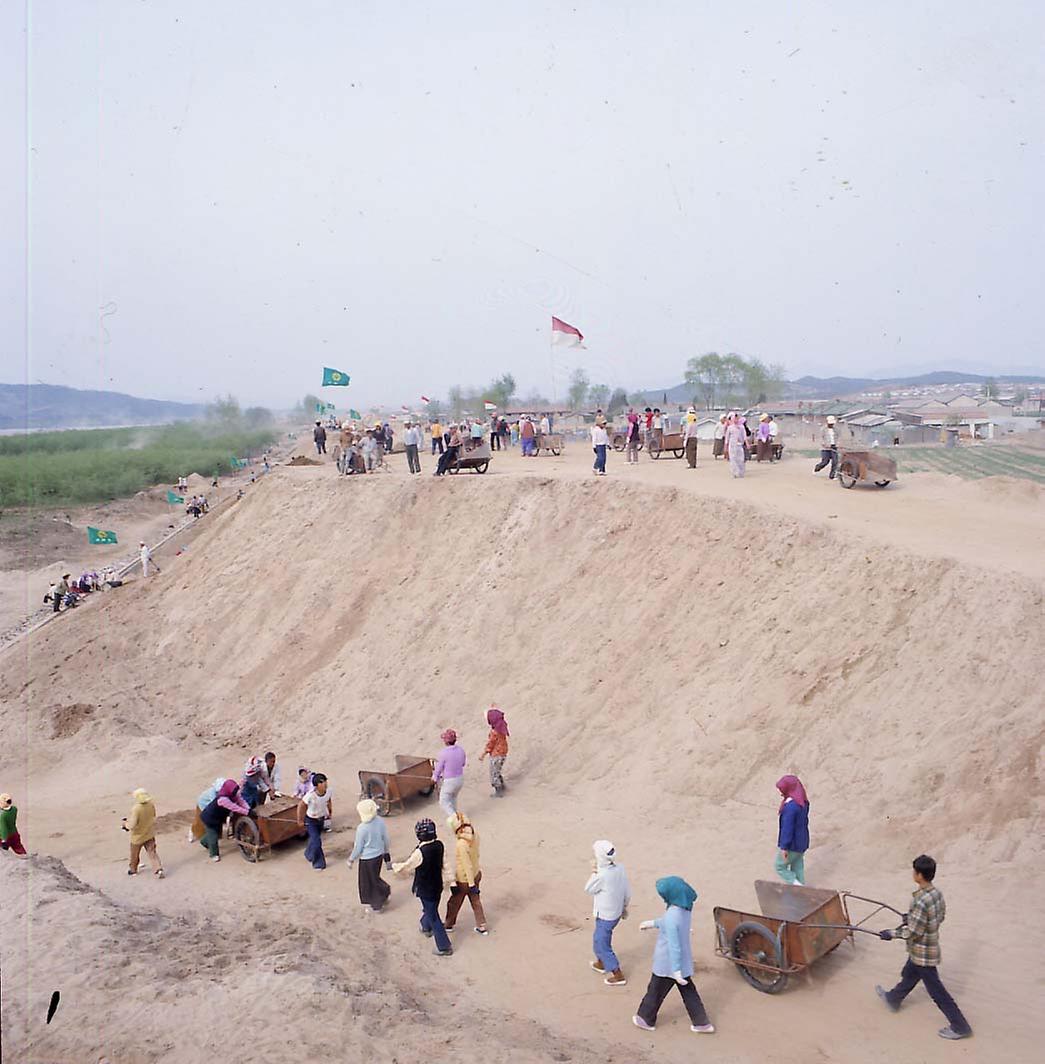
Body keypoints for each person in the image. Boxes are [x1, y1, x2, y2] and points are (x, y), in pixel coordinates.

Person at [875, 855, 973, 1040]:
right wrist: (911, 918)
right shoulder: (936, 894)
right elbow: (939, 916)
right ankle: (893, 999)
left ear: (919, 875)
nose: (913, 874)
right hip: (928, 945)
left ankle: (961, 1026)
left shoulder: (920, 901)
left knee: (937, 991)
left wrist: (891, 933)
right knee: (909, 973)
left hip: (922, 951)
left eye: (914, 871)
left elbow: (913, 932)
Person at [633, 877, 714, 1034]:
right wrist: (651, 923)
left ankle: (645, 1018)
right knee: (688, 991)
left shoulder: (671, 916)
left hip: (666, 963)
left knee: (655, 990)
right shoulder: (684, 910)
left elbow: (673, 944)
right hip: (683, 961)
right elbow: (667, 923)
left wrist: (675, 970)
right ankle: (701, 1022)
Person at [392, 818, 453, 956]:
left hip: (425, 888)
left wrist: (395, 867)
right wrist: (451, 881)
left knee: (434, 917)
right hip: (438, 885)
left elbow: (408, 866)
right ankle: (425, 926)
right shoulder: (439, 845)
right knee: (431, 908)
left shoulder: (421, 851)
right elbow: (446, 864)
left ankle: (444, 946)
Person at [586, 840, 631, 986]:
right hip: (615, 912)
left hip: (606, 915)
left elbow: (589, 889)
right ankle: (601, 963)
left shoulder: (602, 875)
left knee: (602, 943)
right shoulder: (620, 869)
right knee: (600, 938)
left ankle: (618, 974)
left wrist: (594, 872)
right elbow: (627, 890)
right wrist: (624, 907)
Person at [444, 811, 488, 935]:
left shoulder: (461, 844)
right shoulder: (475, 835)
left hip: (464, 879)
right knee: (476, 901)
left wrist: (471, 884)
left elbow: (466, 865)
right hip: (476, 873)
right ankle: (482, 925)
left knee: (454, 903)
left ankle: (448, 924)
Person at [347, 798, 392, 912]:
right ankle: (384, 893)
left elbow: (358, 847)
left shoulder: (362, 828)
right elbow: (386, 839)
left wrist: (351, 859)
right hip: (379, 856)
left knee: (368, 882)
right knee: (375, 878)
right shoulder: (380, 821)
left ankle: (377, 904)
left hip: (367, 859)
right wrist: (386, 854)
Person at [198, 780, 249, 862]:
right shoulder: (222, 799)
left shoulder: (234, 794)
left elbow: (241, 801)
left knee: (217, 834)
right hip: (210, 818)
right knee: (213, 836)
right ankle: (214, 854)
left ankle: (204, 841)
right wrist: (247, 812)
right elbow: (234, 807)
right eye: (234, 791)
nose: (235, 792)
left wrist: (248, 809)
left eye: (236, 790)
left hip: (219, 818)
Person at [775, 775, 810, 884]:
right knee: (797, 866)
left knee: (780, 866)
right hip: (802, 842)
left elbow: (787, 829)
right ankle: (801, 886)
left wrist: (784, 847)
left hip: (792, 845)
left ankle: (797, 885)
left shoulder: (790, 807)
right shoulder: (803, 802)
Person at [124, 788, 164, 878]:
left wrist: (125, 824)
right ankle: (158, 869)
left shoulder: (136, 808)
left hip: (137, 836)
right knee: (152, 852)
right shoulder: (151, 805)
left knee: (134, 854)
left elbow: (132, 824)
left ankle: (133, 869)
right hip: (149, 833)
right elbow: (153, 816)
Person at [298, 772, 331, 870]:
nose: (325, 784)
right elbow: (301, 806)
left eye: (325, 781)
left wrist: (329, 812)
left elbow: (328, 801)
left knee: (314, 839)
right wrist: (300, 820)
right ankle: (319, 863)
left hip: (320, 819)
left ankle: (308, 853)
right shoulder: (310, 795)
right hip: (311, 820)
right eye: (322, 782)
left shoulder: (328, 792)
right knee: (317, 841)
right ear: (316, 786)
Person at [433, 729, 466, 815]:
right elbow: (463, 763)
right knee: (453, 798)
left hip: (449, 781)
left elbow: (438, 768)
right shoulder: (461, 750)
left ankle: (454, 817)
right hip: (460, 779)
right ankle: (455, 813)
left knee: (443, 801)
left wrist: (434, 777)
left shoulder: (443, 753)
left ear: (446, 742)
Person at [478, 706, 509, 796]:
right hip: (503, 753)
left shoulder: (494, 732)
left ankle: (498, 791)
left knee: (493, 773)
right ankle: (502, 786)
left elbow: (490, 744)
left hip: (496, 754)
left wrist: (483, 754)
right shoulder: (501, 728)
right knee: (497, 771)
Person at [0, 793, 27, 857]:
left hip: (6, 837)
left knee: (3, 851)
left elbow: (3, 829)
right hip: (15, 834)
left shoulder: (2, 816)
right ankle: (25, 857)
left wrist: (4, 840)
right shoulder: (14, 809)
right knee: (19, 848)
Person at [724, 414, 747, 478]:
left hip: (740, 445)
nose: (736, 420)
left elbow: (744, 436)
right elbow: (727, 438)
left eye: (737, 419)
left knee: (740, 459)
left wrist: (747, 443)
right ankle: (734, 473)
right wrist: (726, 446)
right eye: (735, 419)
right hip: (732, 445)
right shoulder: (730, 427)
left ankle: (741, 472)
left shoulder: (741, 427)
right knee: (733, 459)